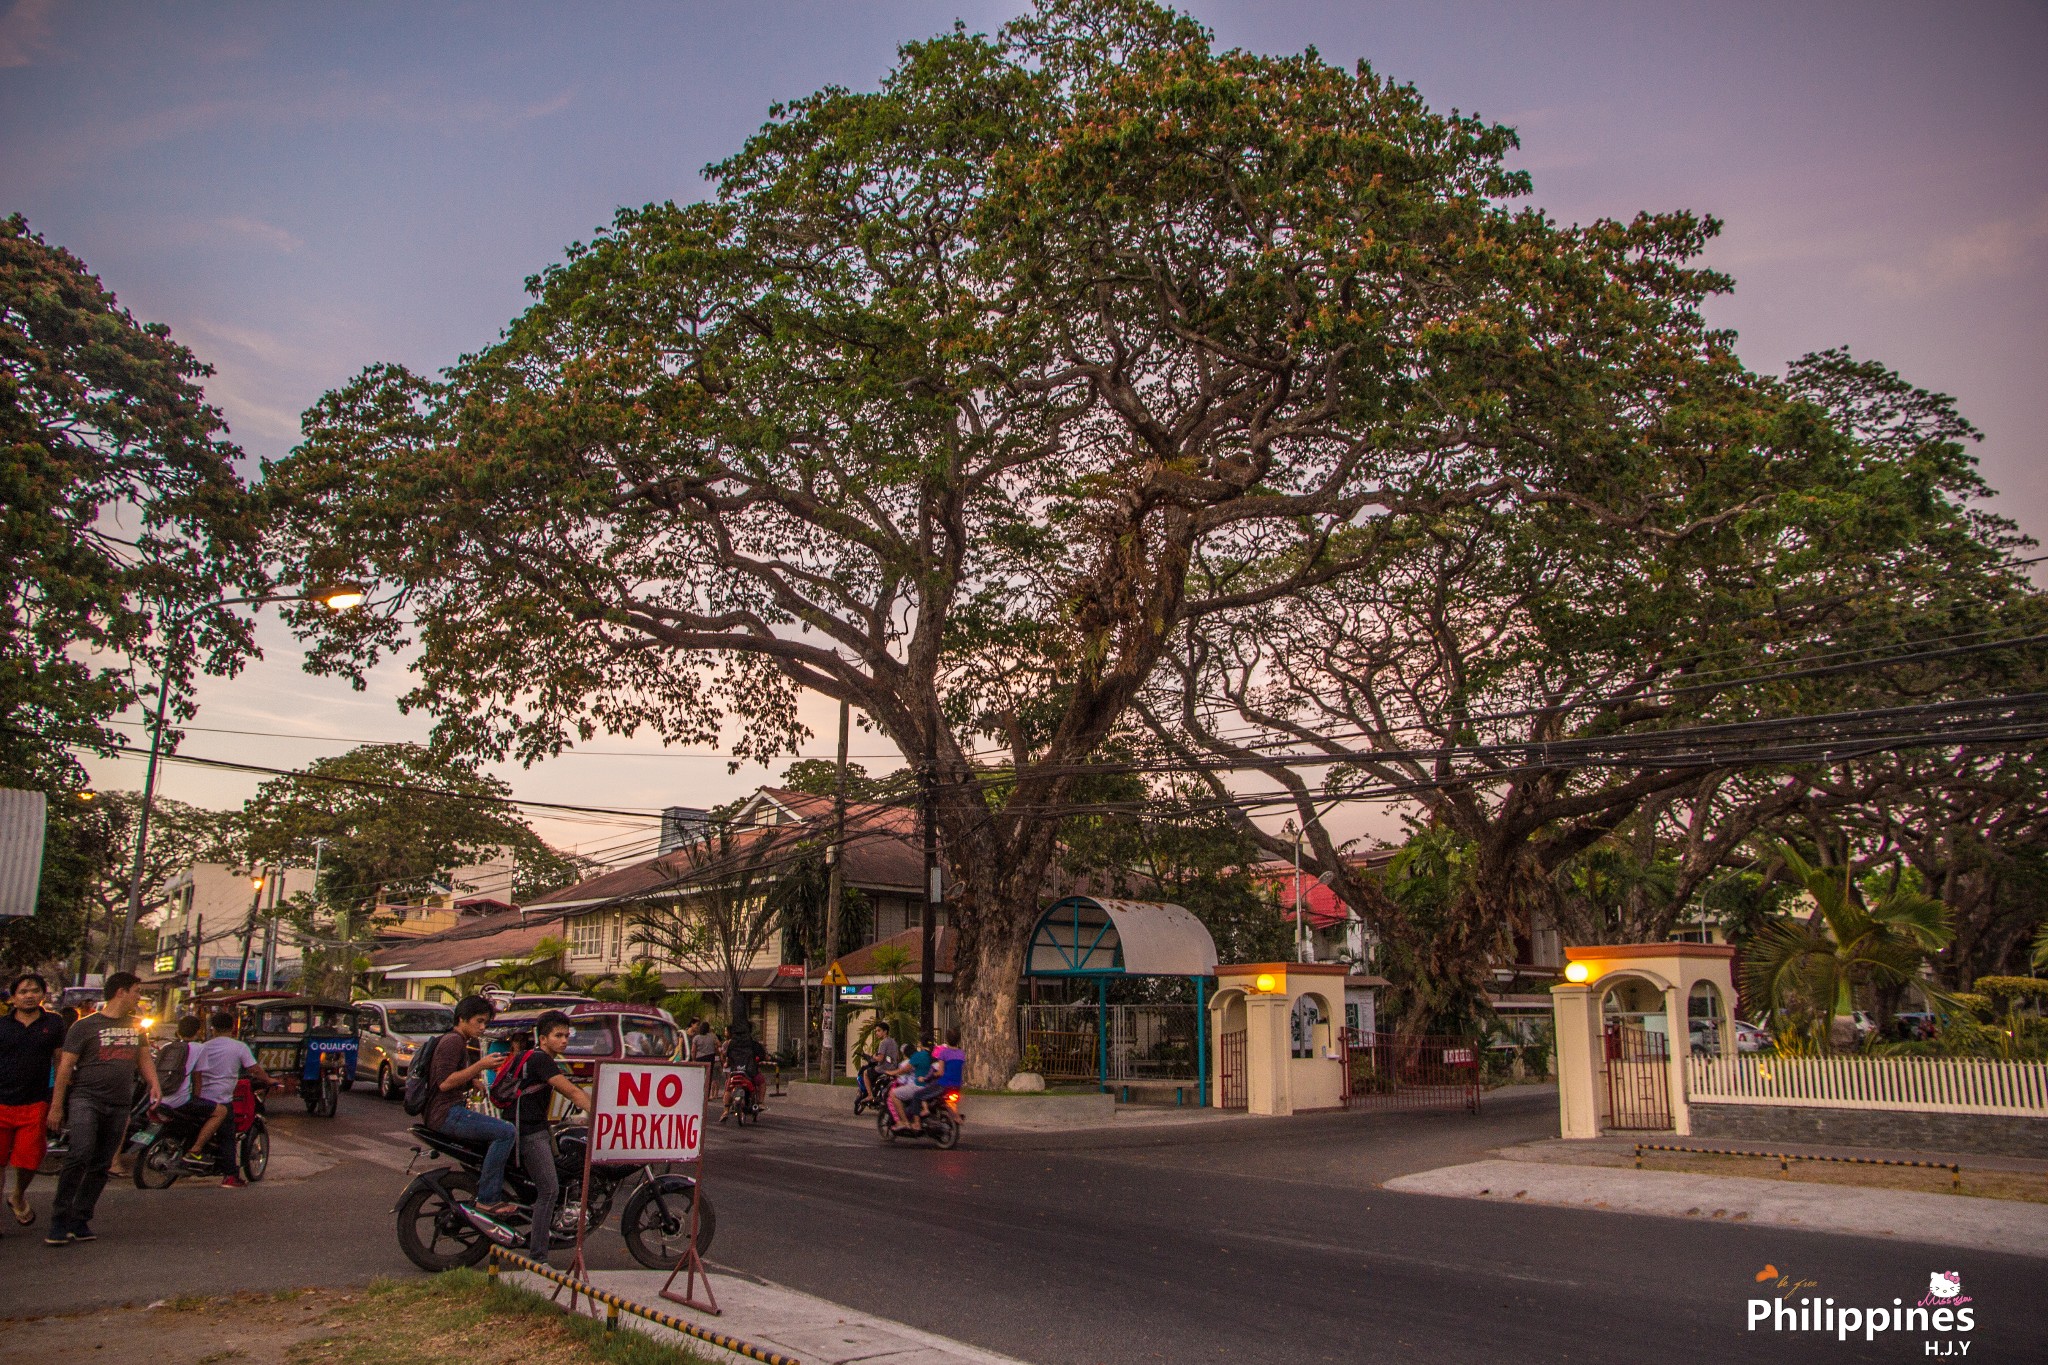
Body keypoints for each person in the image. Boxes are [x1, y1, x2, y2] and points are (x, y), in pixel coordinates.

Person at [44, 972, 159, 1245]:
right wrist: (56, 1107)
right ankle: (60, 1220)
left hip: (119, 1103)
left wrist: (154, 1084)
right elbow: (65, 1069)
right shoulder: (84, 1026)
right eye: (136, 991)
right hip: (86, 1099)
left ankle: (80, 1218)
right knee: (80, 1154)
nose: (138, 997)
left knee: (101, 1163)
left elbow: (144, 1059)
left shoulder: (136, 1026)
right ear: (121, 992)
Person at [506, 1010, 593, 1260]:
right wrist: (604, 1116)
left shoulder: (533, 1057)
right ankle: (538, 1255)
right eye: (558, 1035)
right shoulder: (542, 1060)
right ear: (543, 1039)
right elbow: (572, 1092)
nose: (564, 1040)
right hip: (530, 1133)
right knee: (549, 1190)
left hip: (532, 1128)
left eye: (567, 1035)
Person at [427, 995, 518, 1216]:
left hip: (449, 1111)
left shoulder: (460, 1041)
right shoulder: (453, 1041)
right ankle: (487, 1199)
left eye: (485, 1022)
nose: (482, 1027)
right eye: (478, 1021)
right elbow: (445, 1083)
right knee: (506, 1132)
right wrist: (480, 1065)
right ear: (462, 1019)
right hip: (446, 1113)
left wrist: (472, 1080)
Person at [171, 1011, 284, 1185]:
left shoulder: (204, 1046)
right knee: (228, 1135)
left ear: (213, 1029)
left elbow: (197, 1074)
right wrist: (268, 1079)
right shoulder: (239, 1047)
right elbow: (254, 1069)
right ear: (233, 1027)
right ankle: (230, 1175)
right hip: (221, 1098)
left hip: (200, 1097)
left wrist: (198, 1093)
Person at [0, 973, 68, 1230]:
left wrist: (57, 1104)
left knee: (28, 1160)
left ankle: (17, 1195)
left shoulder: (54, 1023)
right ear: (13, 998)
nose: (29, 995)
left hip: (36, 1103)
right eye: (23, 991)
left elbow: (61, 1063)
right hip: (1, 1102)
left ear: (42, 994)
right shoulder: (2, 1026)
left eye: (34, 990)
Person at [885, 1035, 936, 1131]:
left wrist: (891, 1072)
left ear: (920, 1044)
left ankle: (904, 1122)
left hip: (919, 1086)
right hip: (931, 1087)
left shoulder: (919, 1055)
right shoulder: (934, 1055)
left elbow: (904, 1070)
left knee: (893, 1094)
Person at [718, 1019, 765, 1120]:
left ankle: (725, 1111)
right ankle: (760, 1103)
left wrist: (727, 1063)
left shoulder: (732, 1044)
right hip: (750, 1072)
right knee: (761, 1082)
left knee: (728, 1088)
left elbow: (728, 1057)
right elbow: (761, 1056)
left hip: (735, 1072)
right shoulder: (753, 1044)